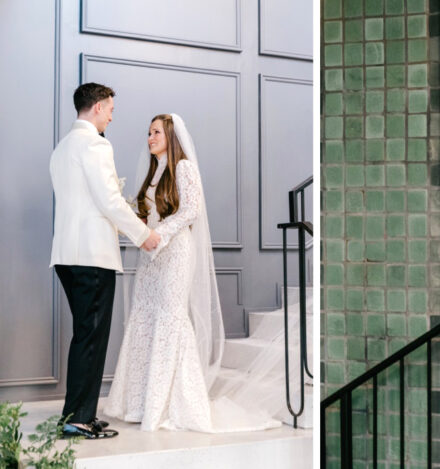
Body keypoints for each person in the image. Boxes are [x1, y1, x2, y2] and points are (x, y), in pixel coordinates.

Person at [103, 114, 278, 433]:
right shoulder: (154, 172)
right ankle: (139, 403)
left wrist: (161, 235)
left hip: (175, 252)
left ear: (170, 135)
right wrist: (140, 230)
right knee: (144, 318)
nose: (150, 138)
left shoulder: (183, 168)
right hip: (152, 255)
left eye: (156, 132)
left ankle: (167, 404)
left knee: (170, 318)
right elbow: (147, 215)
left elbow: (191, 210)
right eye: (148, 132)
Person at [50, 83, 161, 439]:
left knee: (85, 334)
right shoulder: (96, 144)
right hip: (93, 256)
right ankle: (78, 418)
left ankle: (78, 412)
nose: (112, 115)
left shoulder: (62, 148)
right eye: (110, 108)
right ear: (97, 107)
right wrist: (144, 235)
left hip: (66, 254)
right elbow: (109, 201)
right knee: (92, 336)